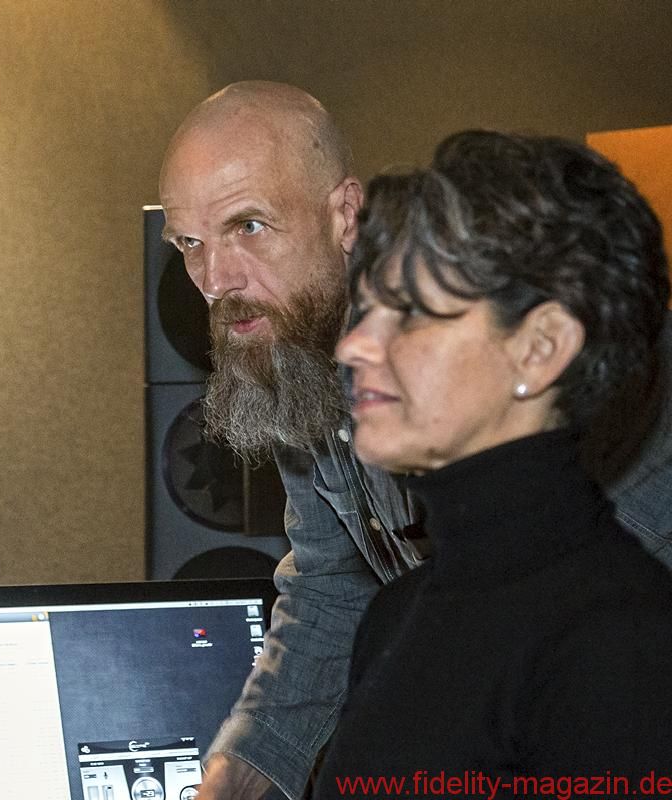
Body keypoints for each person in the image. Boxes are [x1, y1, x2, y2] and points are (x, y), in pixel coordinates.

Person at [157, 81, 672, 800]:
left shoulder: (610, 621)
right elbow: (333, 584)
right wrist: (238, 775)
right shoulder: (403, 616)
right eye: (189, 244)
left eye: (249, 226)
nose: (213, 281)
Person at [313, 130, 672, 794]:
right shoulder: (395, 616)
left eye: (409, 313)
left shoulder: (623, 639)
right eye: (366, 310)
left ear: (541, 347)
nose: (354, 346)